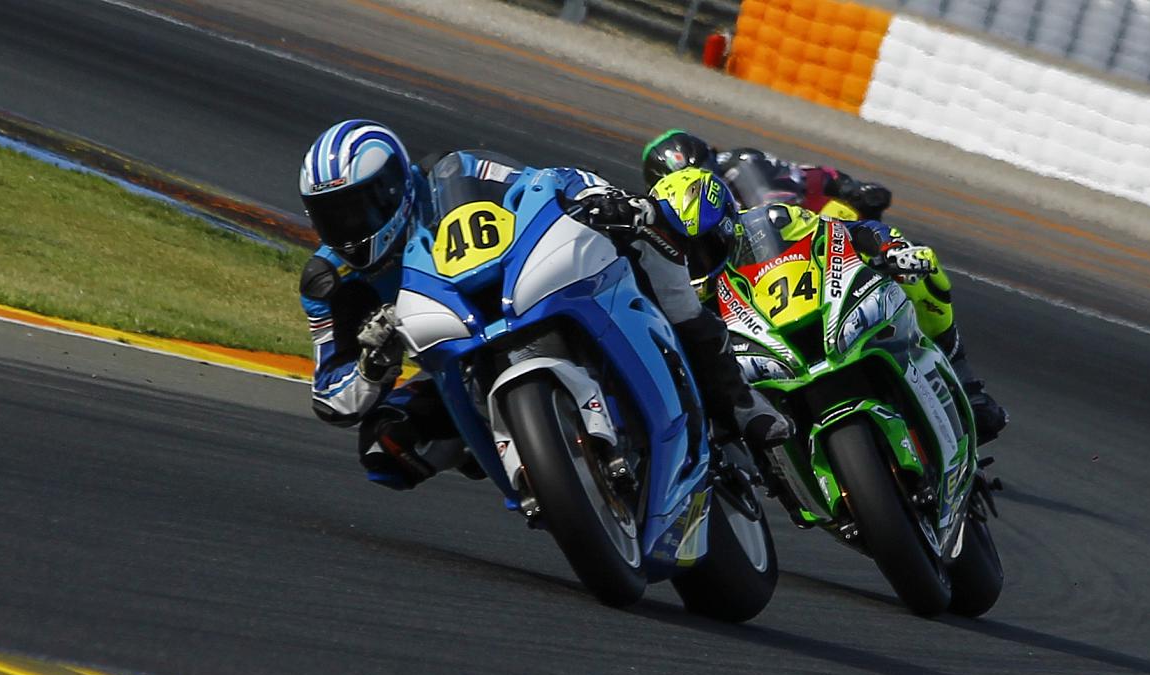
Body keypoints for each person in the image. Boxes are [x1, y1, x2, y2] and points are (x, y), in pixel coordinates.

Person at [297, 119, 790, 491]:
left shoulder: (452, 175)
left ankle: (738, 400)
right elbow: (331, 397)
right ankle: (529, 450)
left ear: (393, 188)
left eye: (358, 207)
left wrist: (601, 198)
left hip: (525, 286)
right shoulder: (329, 282)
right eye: (331, 217)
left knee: (649, 248)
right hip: (455, 350)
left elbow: (540, 180)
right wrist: (372, 363)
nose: (348, 228)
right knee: (385, 445)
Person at [675, 195, 1008, 444]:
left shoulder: (775, 219)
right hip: (766, 352)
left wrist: (889, 248)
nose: (697, 259)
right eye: (686, 252)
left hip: (821, 313)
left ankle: (967, 385)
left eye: (703, 246)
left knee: (922, 270)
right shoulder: (683, 288)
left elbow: (846, 231)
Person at [641, 129, 892, 221]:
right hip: (749, 275)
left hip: (801, 230)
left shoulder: (742, 162)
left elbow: (810, 175)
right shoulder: (668, 220)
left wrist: (853, 189)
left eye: (703, 174)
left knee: (841, 213)